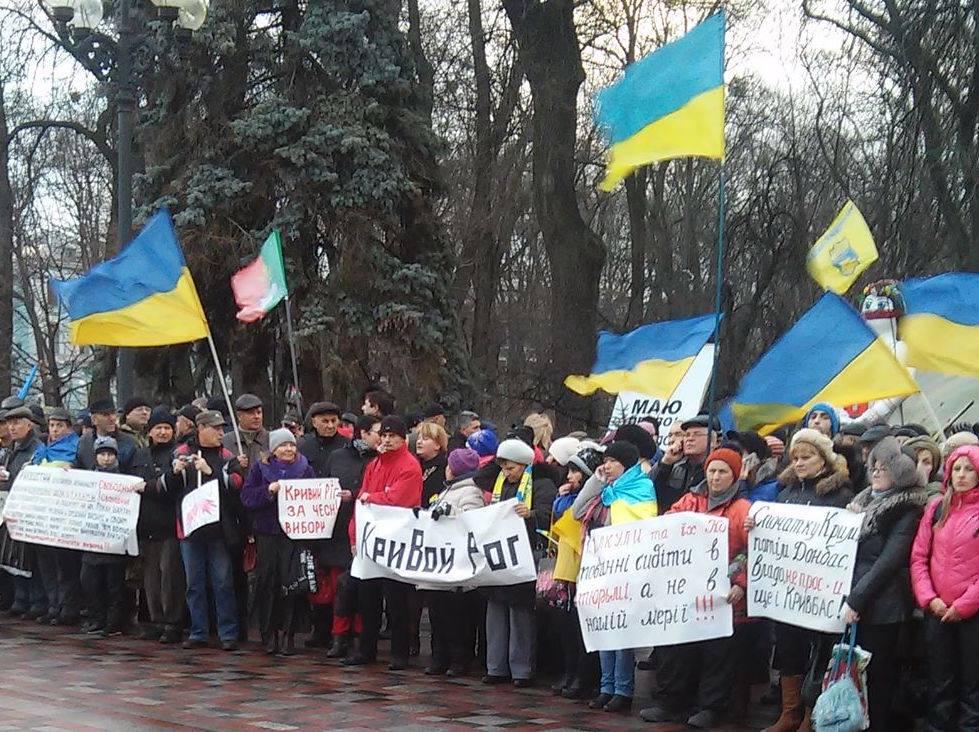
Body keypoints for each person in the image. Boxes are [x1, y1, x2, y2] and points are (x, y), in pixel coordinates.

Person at [640, 447, 750, 729]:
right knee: (677, 649)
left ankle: (711, 707)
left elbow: (750, 551)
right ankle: (671, 702)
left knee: (717, 655)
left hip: (722, 597)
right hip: (685, 593)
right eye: (712, 470)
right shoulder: (690, 500)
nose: (715, 477)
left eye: (723, 472)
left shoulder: (742, 510)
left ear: (734, 476)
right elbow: (667, 529)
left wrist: (739, 582)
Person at [754, 428, 854, 732]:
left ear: (823, 460)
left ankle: (812, 713)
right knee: (789, 647)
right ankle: (789, 713)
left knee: (820, 650)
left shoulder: (840, 495)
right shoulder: (784, 494)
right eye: (795, 457)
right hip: (788, 590)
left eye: (806, 457)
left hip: (821, 591)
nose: (799, 463)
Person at [841, 436, 927, 731]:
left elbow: (889, 562)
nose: (876, 472)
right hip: (854, 600)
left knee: (877, 678)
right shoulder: (862, 501)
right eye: (874, 467)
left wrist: (857, 599)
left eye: (885, 468)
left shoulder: (907, 508)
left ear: (901, 473)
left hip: (883, 606)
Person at [574, 441, 655, 714]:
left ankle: (623, 689)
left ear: (627, 464)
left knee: (621, 634)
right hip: (600, 572)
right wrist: (595, 482)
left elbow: (640, 527)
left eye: (612, 462)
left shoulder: (642, 489)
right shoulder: (606, 490)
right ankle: (606, 686)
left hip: (625, 572)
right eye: (604, 461)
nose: (606, 466)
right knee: (604, 631)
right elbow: (576, 511)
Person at [344, 416, 422, 669]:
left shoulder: (409, 465)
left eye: (393, 436)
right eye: (385, 435)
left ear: (403, 438)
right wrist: (354, 536)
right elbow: (361, 503)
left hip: (396, 543)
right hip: (370, 542)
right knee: (368, 599)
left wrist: (372, 497)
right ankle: (366, 649)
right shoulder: (374, 464)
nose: (387, 440)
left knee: (397, 600)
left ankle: (400, 653)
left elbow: (399, 499)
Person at [910, 445, 979, 731]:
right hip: (937, 610)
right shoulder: (937, 508)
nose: (961, 475)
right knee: (939, 679)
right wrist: (929, 599)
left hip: (972, 614)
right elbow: (918, 557)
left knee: (971, 683)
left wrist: (963, 606)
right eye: (957, 469)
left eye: (969, 469)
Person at [165, 410, 245, 651]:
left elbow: (237, 484)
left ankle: (227, 633)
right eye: (216, 429)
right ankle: (198, 631)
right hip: (190, 530)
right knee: (194, 583)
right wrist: (175, 471)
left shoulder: (227, 455)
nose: (221, 433)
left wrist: (212, 472)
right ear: (201, 428)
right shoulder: (181, 453)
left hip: (218, 529)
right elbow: (169, 488)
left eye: (222, 429)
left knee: (222, 582)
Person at [482, 438, 556, 688]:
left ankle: (521, 669)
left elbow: (550, 515)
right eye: (503, 467)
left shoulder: (542, 484)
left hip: (525, 556)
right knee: (496, 613)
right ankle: (495, 666)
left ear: (525, 465)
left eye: (511, 468)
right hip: (499, 557)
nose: (506, 472)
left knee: (520, 614)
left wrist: (531, 514)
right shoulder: (499, 484)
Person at [242, 428, 315, 656]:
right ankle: (269, 633)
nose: (289, 449)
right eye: (283, 445)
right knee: (268, 582)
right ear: (273, 449)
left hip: (294, 534)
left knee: (291, 584)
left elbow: (315, 495)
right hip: (268, 533)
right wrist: (268, 491)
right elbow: (247, 497)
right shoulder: (261, 469)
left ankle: (289, 633)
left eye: (292, 445)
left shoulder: (305, 469)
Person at [319, 415, 381, 658]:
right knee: (340, 588)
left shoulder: (378, 460)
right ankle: (339, 636)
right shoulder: (338, 456)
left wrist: (354, 495)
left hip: (367, 531)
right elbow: (323, 486)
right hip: (339, 530)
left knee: (361, 588)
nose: (382, 437)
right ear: (363, 433)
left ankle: (359, 636)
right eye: (378, 432)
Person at [425, 447, 487, 676]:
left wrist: (449, 511)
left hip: (457, 566)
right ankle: (438, 657)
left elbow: (472, 521)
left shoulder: (470, 492)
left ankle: (458, 660)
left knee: (455, 618)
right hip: (441, 565)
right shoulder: (447, 490)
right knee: (438, 614)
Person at [80, 437, 141, 637]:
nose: (106, 459)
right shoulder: (87, 479)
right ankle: (96, 618)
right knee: (90, 583)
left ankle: (114, 622)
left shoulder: (125, 479)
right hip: (92, 540)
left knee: (114, 585)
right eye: (102, 454)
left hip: (114, 544)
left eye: (110, 454)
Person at [136, 407, 185, 644]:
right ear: (150, 431)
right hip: (146, 526)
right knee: (151, 579)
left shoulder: (177, 455)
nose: (163, 432)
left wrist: (151, 487)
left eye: (167, 428)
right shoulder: (141, 455)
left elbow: (173, 486)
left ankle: (172, 622)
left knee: (170, 577)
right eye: (159, 428)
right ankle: (155, 620)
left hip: (170, 526)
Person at [0, 406, 44, 617]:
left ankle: (35, 600)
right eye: (10, 423)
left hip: (30, 510)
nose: (12, 427)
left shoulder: (37, 449)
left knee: (29, 558)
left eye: (17, 423)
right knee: (13, 556)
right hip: (11, 508)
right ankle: (20, 598)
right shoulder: (11, 449)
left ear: (29, 424)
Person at [653, 414, 713, 511]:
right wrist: (665, 464)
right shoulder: (675, 466)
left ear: (714, 441)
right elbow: (651, 493)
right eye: (687, 435)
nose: (690, 439)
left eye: (697, 434)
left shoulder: (716, 469)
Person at [75, 399, 138, 473]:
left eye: (113, 414)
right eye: (105, 415)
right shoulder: (85, 442)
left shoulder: (129, 442)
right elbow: (78, 467)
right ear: (94, 419)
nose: (112, 418)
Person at [298, 402, 349, 477]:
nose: (330, 426)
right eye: (325, 421)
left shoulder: (348, 445)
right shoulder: (303, 445)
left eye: (333, 421)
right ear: (314, 423)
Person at [223, 393, 268, 471]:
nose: (257, 417)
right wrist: (234, 465)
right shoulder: (226, 441)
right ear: (239, 416)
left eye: (259, 412)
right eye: (251, 413)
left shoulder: (271, 440)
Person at [416, 421, 448, 507]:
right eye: (418, 438)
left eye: (425, 439)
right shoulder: (416, 465)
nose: (419, 442)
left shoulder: (445, 468)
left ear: (438, 445)